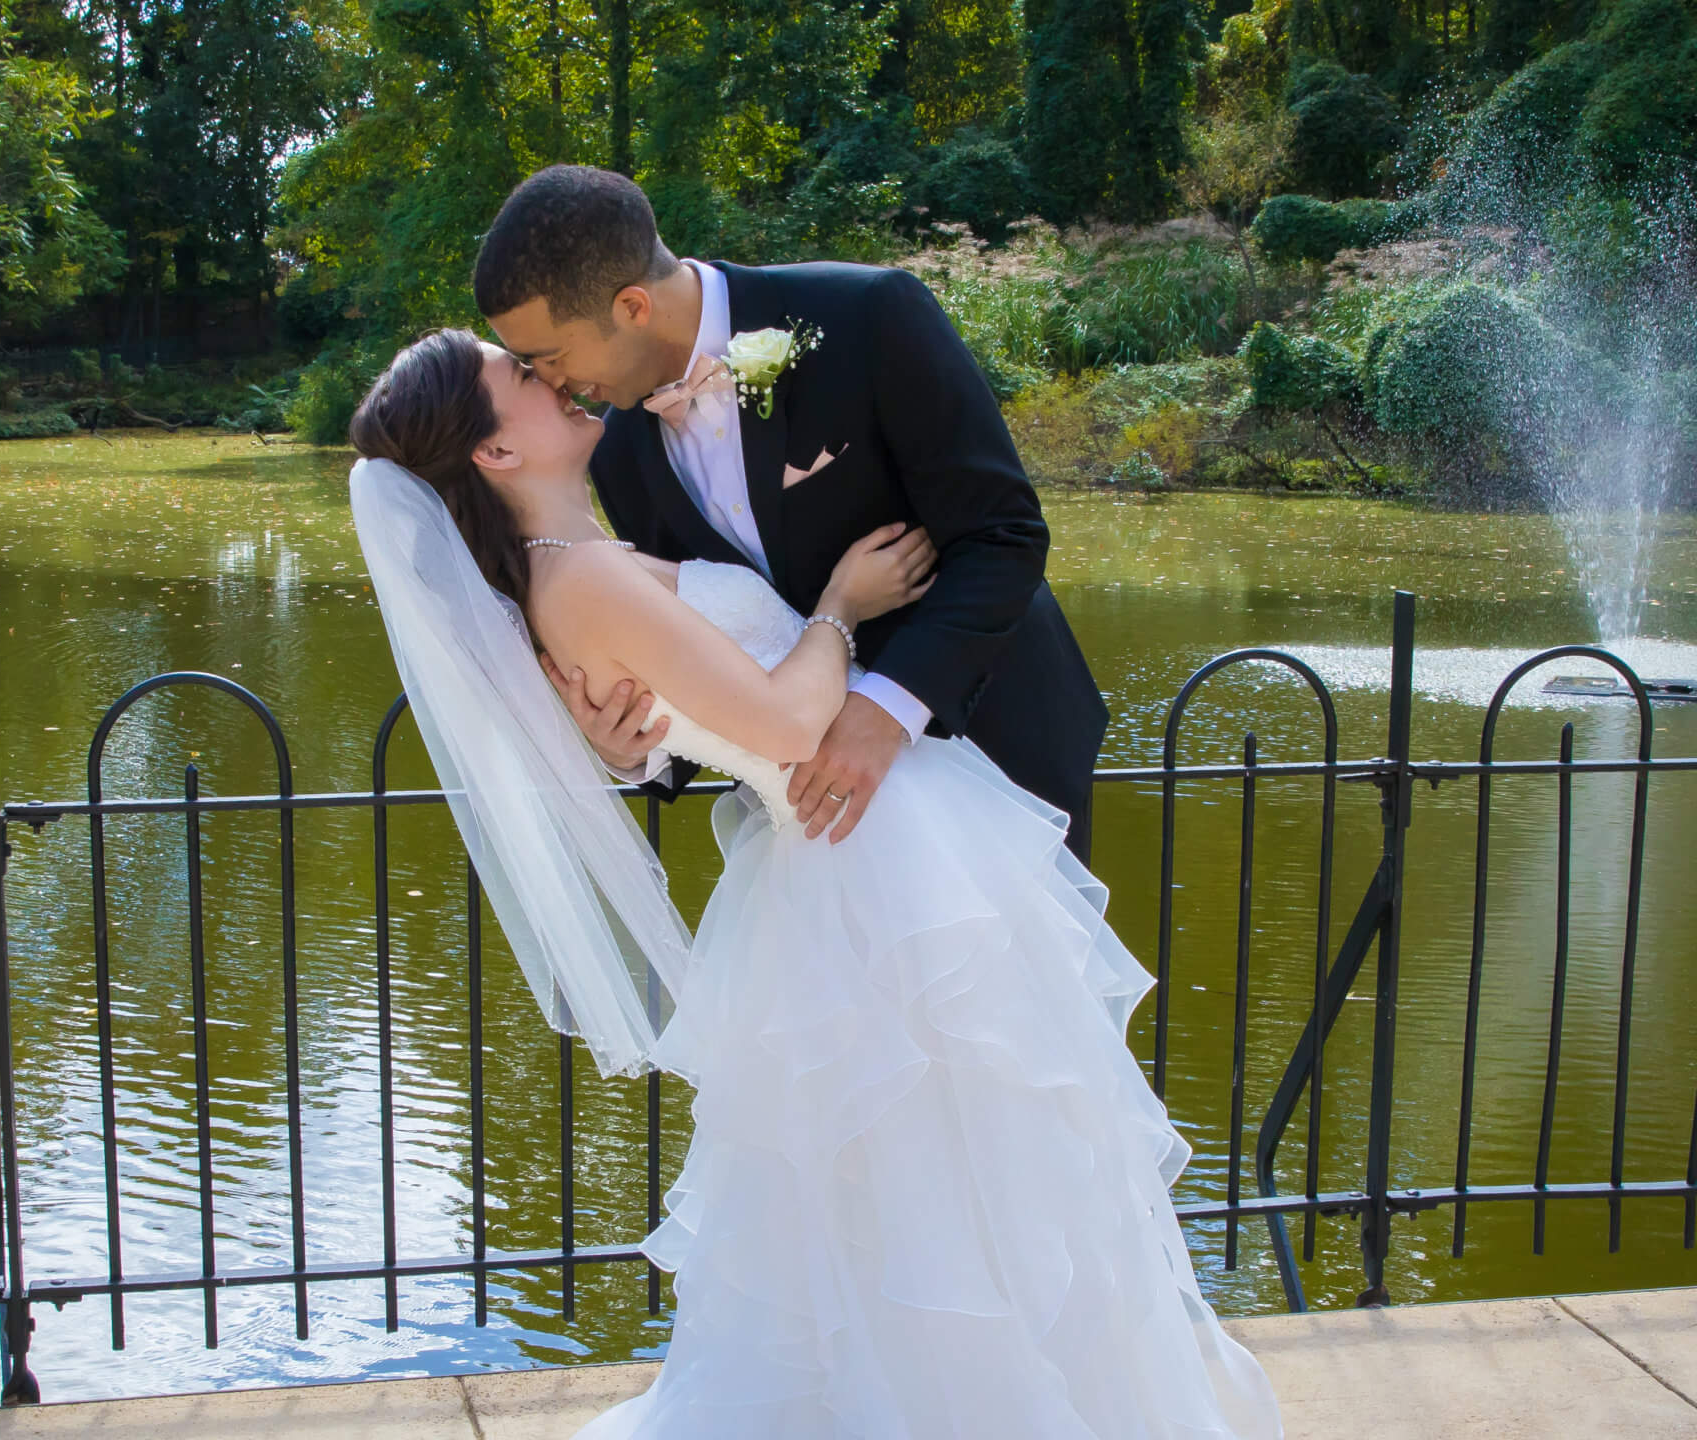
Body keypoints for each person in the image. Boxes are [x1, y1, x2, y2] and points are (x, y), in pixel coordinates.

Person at [347, 328, 1281, 1438]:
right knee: (965, 1179)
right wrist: (842, 602)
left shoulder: (577, 566)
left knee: (925, 1188)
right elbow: (791, 722)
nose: (549, 377)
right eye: (519, 378)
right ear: (495, 455)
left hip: (851, 860)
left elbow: (676, 711)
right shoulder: (582, 576)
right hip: (873, 864)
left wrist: (628, 749)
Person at [473, 165, 1109, 862]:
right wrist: (630, 749)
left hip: (997, 754)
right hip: (822, 831)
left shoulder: (866, 315)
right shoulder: (618, 450)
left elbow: (1003, 535)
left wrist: (885, 709)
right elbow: (698, 662)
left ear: (631, 306)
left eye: (552, 356)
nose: (551, 383)